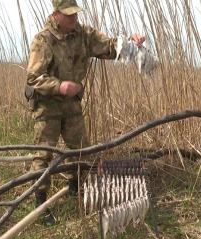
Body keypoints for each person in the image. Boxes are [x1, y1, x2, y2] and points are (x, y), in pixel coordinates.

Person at [25, 0, 146, 226]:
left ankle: (75, 187)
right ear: (56, 14)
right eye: (68, 15)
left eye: (75, 14)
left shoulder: (84, 34)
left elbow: (110, 47)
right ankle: (41, 203)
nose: (74, 18)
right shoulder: (43, 40)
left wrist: (130, 43)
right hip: (47, 104)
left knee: (81, 149)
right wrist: (60, 86)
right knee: (44, 154)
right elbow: (34, 78)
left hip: (71, 103)